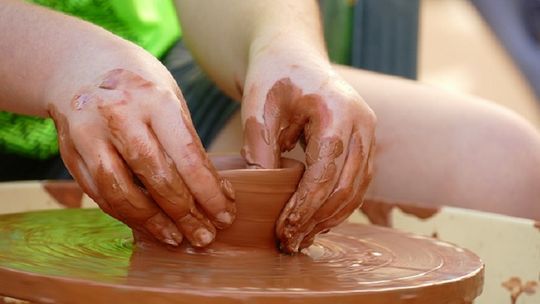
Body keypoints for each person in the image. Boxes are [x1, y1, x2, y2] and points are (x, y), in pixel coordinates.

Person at [0, 0, 539, 253]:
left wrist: (281, 45)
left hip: (136, 70)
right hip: (46, 62)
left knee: (499, 165)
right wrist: (59, 62)